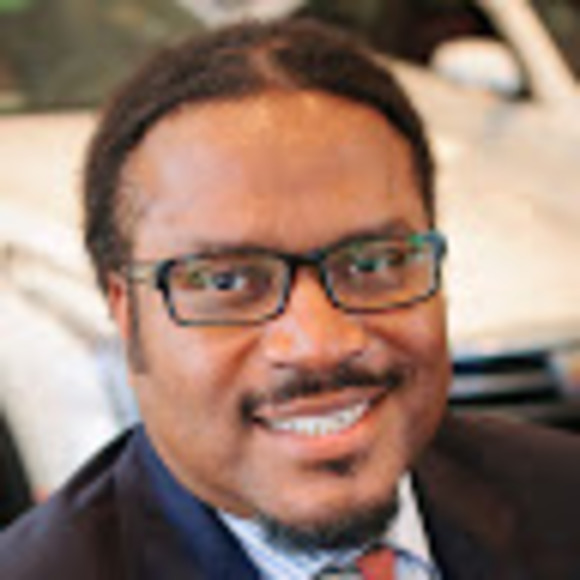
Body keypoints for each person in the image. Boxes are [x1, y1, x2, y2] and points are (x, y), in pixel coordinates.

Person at [1, 17, 580, 580]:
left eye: (371, 264)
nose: (319, 344)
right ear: (126, 314)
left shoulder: (561, 496)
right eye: (228, 283)